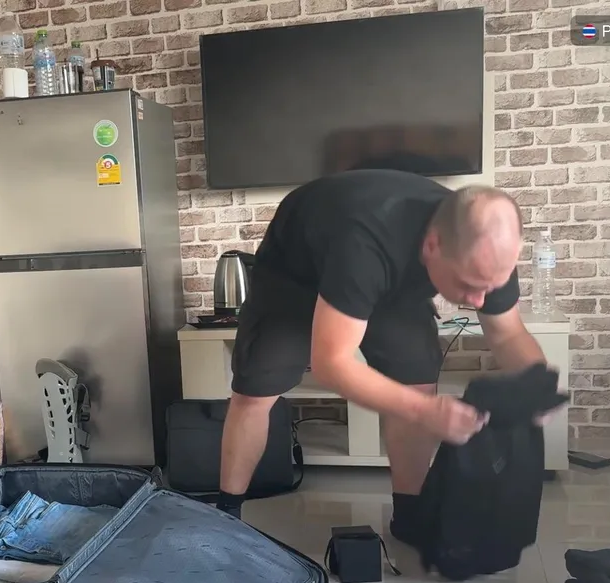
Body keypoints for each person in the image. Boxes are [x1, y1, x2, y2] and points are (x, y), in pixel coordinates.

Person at [217, 169, 550, 540]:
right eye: (469, 286)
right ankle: (227, 515)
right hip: (296, 275)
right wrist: (426, 412)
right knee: (255, 392)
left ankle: (410, 516)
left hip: (391, 279)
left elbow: (507, 333)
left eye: (490, 287)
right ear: (433, 245)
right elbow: (331, 364)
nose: (478, 302)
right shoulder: (364, 242)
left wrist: (538, 383)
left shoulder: (486, 249)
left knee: (415, 381)